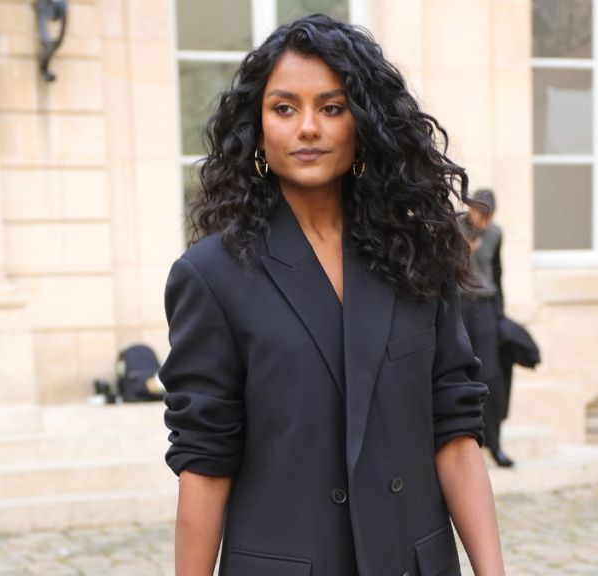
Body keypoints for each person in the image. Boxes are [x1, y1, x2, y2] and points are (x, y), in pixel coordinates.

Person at [160, 15, 505, 576]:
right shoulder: (211, 276)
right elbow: (205, 463)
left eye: (332, 107)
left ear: (363, 124)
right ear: (258, 128)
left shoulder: (417, 255)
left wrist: (492, 571)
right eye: (284, 108)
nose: (308, 128)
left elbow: (455, 433)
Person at [458, 189, 513, 468]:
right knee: (462, 374)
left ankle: (495, 443)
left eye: (491, 216)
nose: (486, 222)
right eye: (483, 214)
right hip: (459, 306)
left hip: (487, 306)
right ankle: (464, 447)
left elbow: (497, 272)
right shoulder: (454, 226)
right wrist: (463, 251)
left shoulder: (495, 234)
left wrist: (501, 315)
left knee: (491, 376)